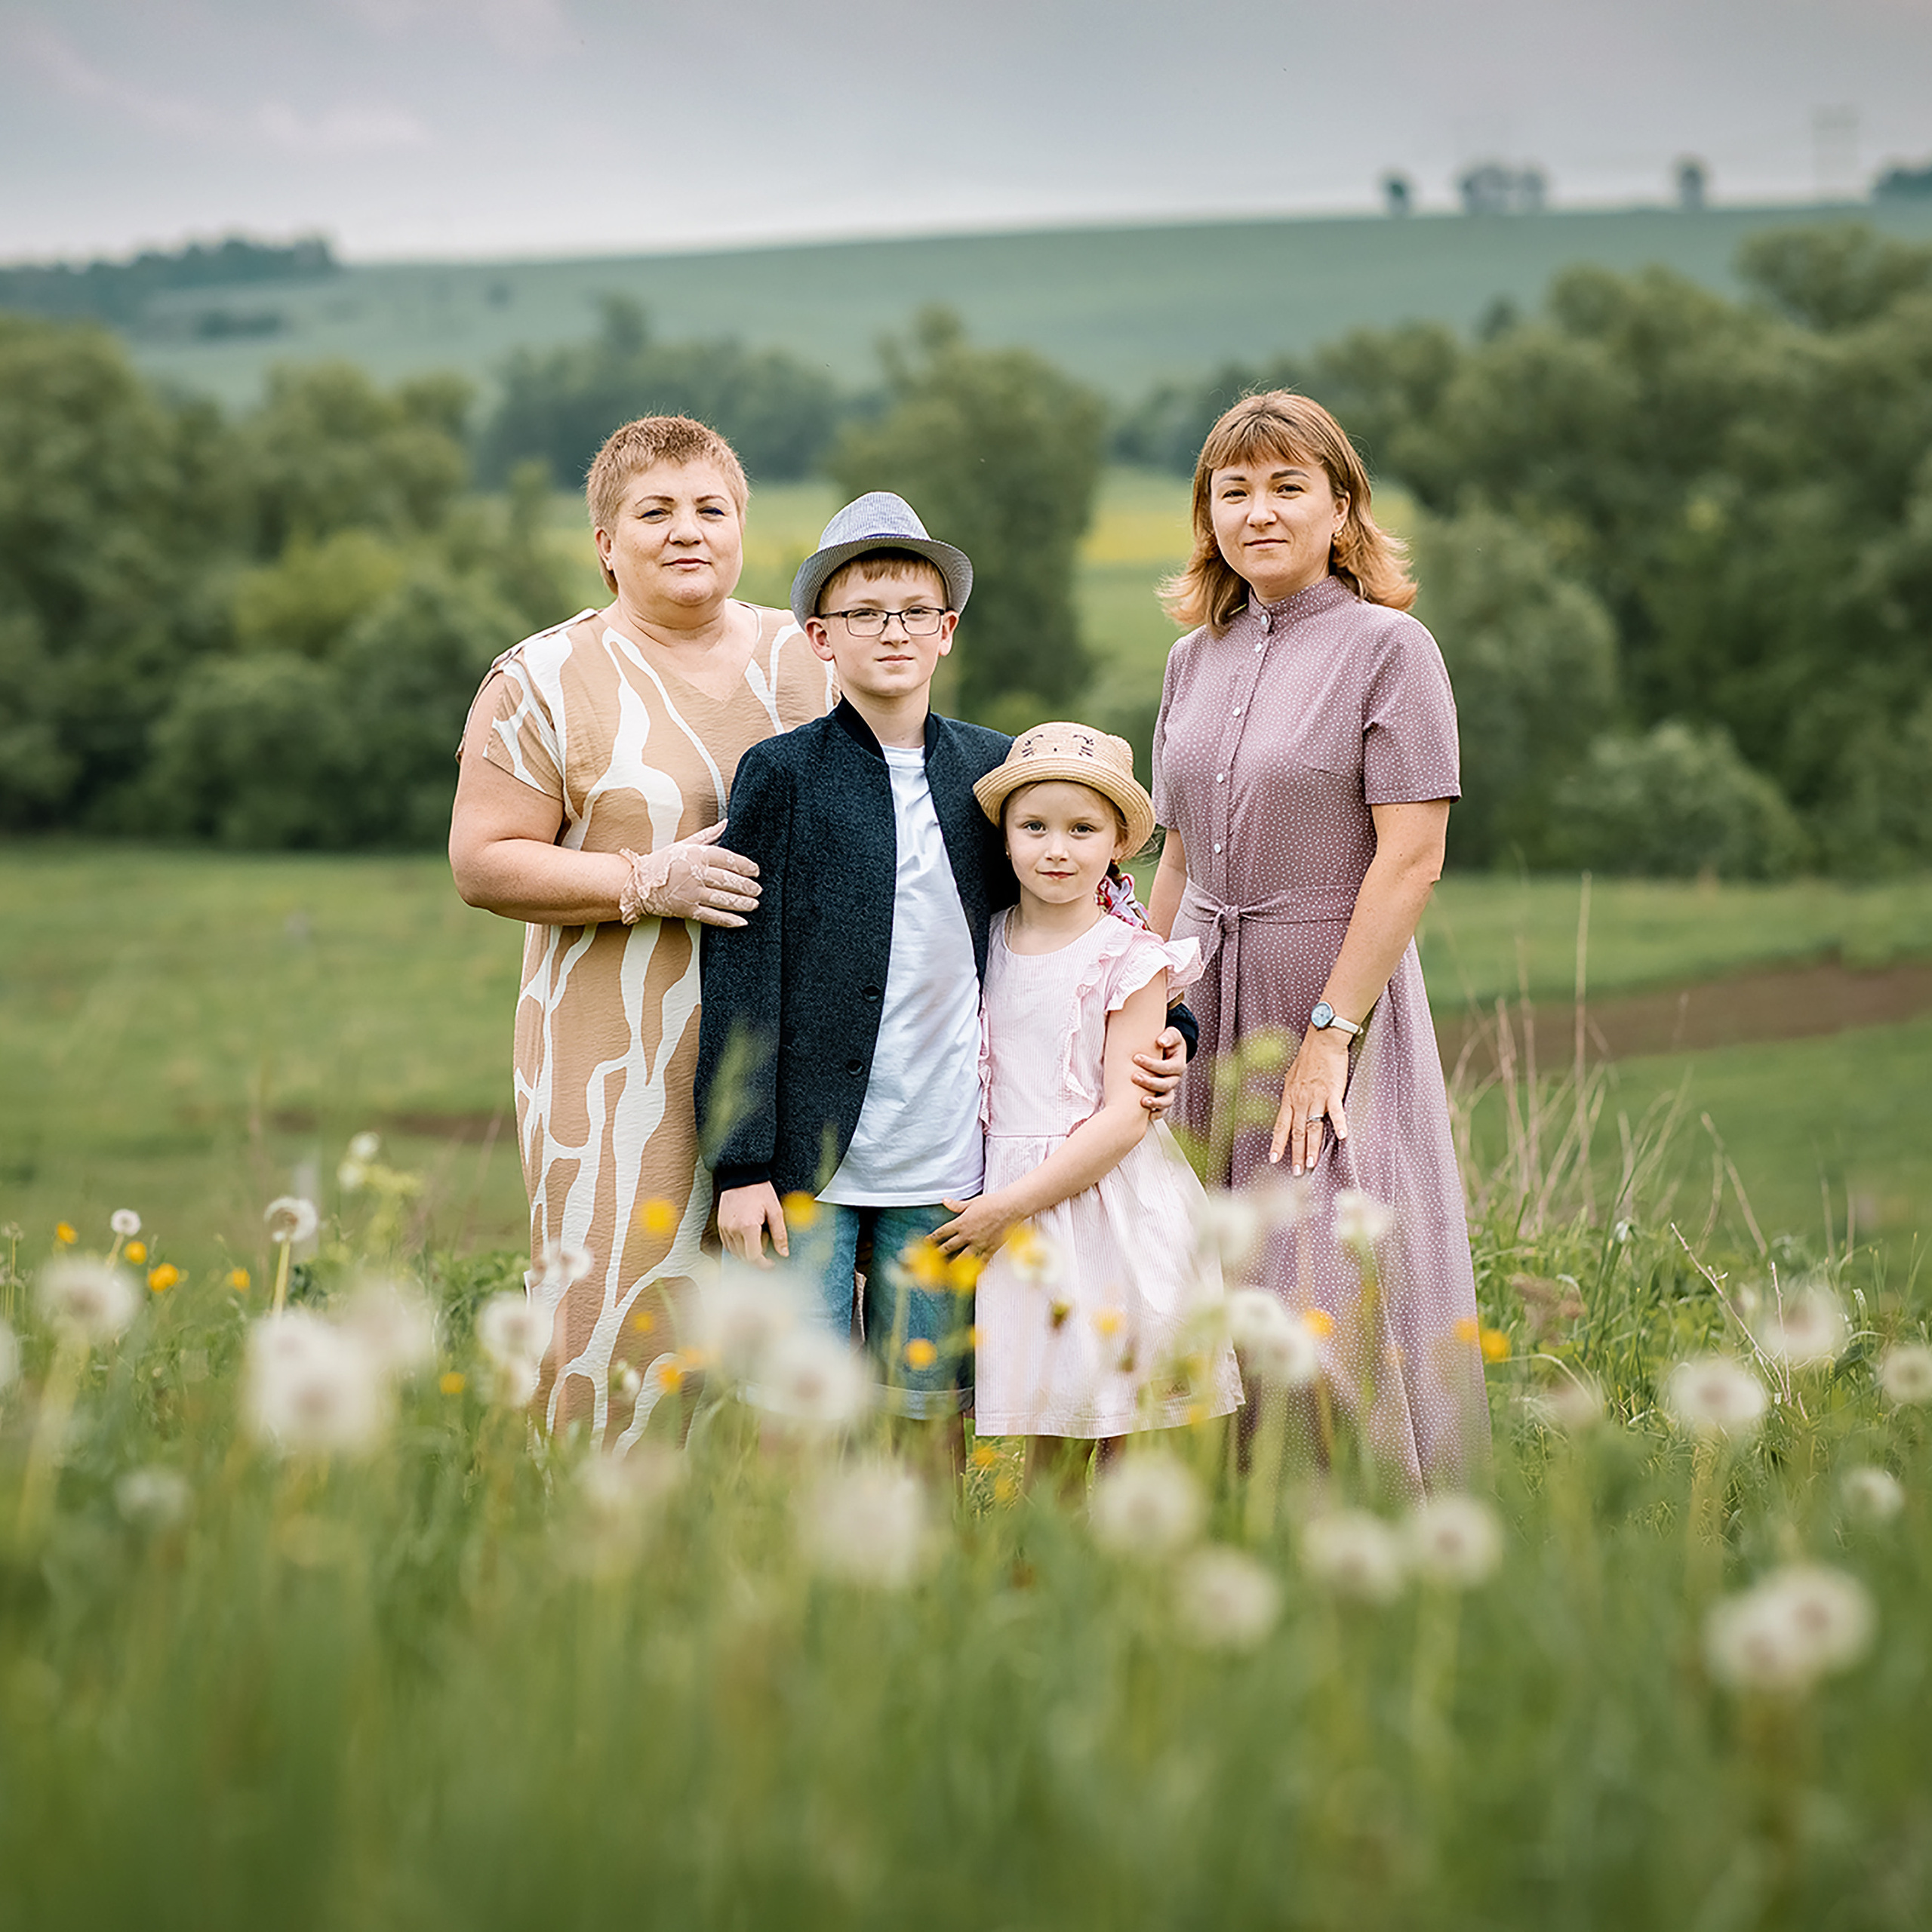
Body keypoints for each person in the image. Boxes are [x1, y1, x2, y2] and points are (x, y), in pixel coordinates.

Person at [695, 494, 1194, 1440]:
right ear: (819, 638)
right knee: (793, 1413)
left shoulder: (993, 772)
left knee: (923, 1413)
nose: (893, 631)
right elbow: (744, 965)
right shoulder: (783, 774)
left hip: (947, 1160)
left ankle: (913, 1582)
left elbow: (1092, 912)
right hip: (807, 1158)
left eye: (916, 612)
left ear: (947, 632)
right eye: (864, 613)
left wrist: (1169, 1024)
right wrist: (741, 1162)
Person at [448, 415, 835, 1446]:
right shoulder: (538, 679)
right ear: (605, 544)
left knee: (792, 1325)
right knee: (623, 1308)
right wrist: (641, 878)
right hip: (616, 1062)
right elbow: (482, 861)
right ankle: (597, 1551)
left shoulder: (811, 660)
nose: (686, 531)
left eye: (711, 509)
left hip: (794, 1048)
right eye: (653, 512)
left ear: (743, 525)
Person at [1146, 391, 1487, 1496]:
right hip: (1202, 1005)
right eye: (1233, 490)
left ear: (1341, 509)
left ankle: (1380, 1516)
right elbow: (1180, 853)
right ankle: (1232, 1526)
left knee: (1324, 1281)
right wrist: (1133, 999)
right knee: (1201, 1276)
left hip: (1325, 992)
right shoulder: (1190, 660)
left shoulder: (1394, 650)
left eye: (1288, 485)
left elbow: (1411, 861)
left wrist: (1332, 1035)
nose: (1259, 510)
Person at [933, 724, 1242, 1478]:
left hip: (1099, 1206)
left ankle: (1121, 1580)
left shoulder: (1129, 957)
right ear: (1003, 840)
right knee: (1043, 1426)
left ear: (1118, 844)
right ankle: (1040, 1579)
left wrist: (1008, 1206)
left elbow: (1125, 1116)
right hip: (1007, 1202)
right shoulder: (986, 936)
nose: (1056, 850)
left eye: (1082, 830)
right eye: (1033, 828)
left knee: (1113, 1422)